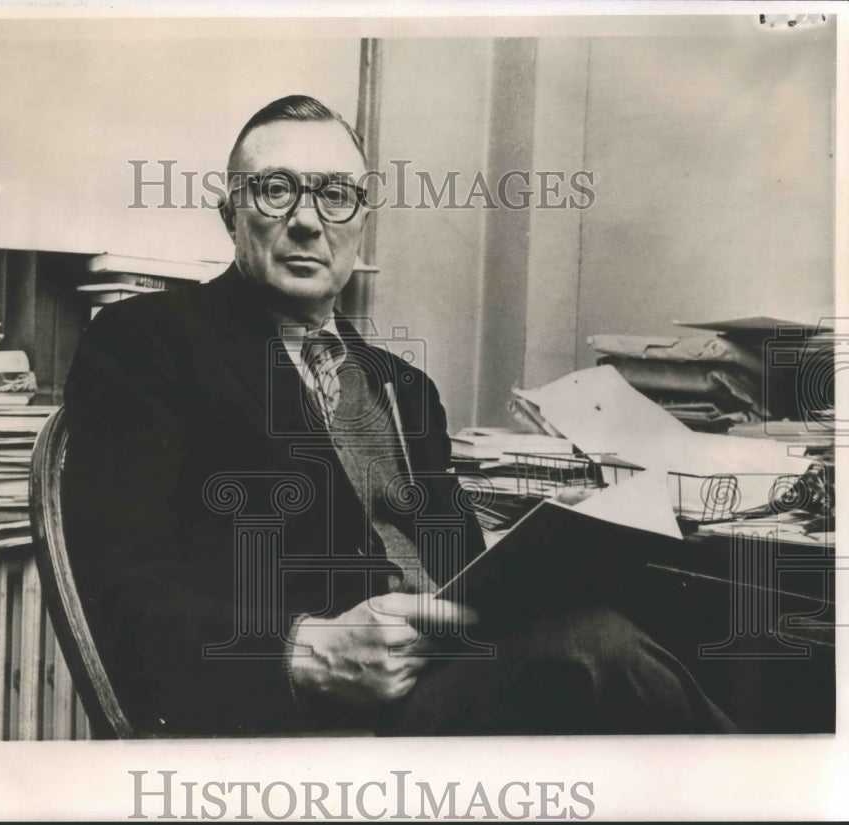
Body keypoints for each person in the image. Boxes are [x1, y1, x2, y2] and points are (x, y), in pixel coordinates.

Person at [62, 95, 736, 737]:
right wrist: (305, 652)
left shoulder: (404, 386)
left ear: (360, 219)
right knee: (599, 650)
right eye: (275, 189)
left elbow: (462, 577)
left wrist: (552, 546)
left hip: (449, 682)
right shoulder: (147, 342)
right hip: (294, 720)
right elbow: (122, 598)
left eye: (334, 193)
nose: (307, 219)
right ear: (230, 215)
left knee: (656, 622)